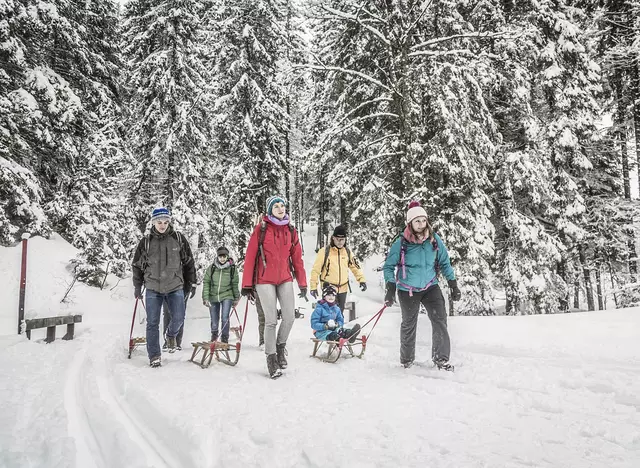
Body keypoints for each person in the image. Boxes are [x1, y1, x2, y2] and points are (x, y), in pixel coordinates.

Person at [382, 201, 461, 371]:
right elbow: (388, 266)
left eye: (423, 220)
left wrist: (453, 284)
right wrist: (390, 287)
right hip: (407, 289)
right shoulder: (401, 243)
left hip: (430, 286)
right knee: (409, 324)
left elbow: (445, 263)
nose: (421, 224)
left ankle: (441, 359)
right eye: (417, 221)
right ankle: (407, 361)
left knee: (440, 320)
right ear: (410, 223)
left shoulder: (434, 240)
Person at [241, 195, 307, 379]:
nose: (280, 208)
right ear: (270, 211)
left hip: (284, 278)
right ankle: (271, 359)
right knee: (271, 320)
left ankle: (280, 347)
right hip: (264, 280)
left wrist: (302, 283)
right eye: (276, 206)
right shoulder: (261, 229)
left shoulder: (291, 231)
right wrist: (247, 284)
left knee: (289, 317)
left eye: (282, 206)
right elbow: (250, 257)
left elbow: (297, 259)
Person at [132, 207, 196, 367]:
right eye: (159, 222)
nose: (162, 225)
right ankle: (154, 355)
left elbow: (189, 262)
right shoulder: (146, 242)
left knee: (179, 317)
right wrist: (137, 286)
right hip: (153, 286)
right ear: (153, 223)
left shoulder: (178, 238)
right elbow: (137, 266)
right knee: (152, 322)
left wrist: (192, 282)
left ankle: (171, 334)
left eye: (165, 222)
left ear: (169, 222)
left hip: (175, 286)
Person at [309, 224, 367, 311]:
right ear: (333, 238)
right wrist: (313, 287)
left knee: (340, 314)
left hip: (343, 288)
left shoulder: (347, 252)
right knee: (329, 315)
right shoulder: (325, 252)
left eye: (342, 239)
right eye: (338, 239)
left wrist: (361, 280)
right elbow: (315, 270)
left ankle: (340, 325)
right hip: (329, 289)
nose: (340, 242)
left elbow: (355, 267)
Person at [202, 246, 240, 343]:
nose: (222, 259)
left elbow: (234, 284)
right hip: (213, 296)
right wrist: (205, 297)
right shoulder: (212, 268)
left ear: (227, 256)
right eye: (220, 256)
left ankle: (224, 338)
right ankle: (214, 336)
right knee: (214, 319)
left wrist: (236, 298)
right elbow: (206, 282)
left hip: (227, 295)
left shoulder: (232, 269)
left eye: (224, 256)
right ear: (217, 257)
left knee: (224, 317)